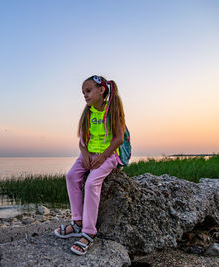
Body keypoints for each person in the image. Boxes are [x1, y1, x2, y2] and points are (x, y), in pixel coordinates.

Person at [54, 75, 126, 256]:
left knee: (92, 183)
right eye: (83, 92)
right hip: (88, 153)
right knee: (71, 176)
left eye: (88, 91)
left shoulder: (112, 111)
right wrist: (85, 154)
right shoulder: (88, 112)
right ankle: (77, 222)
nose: (85, 95)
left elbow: (119, 138)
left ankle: (89, 231)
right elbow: (82, 140)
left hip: (107, 156)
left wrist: (102, 157)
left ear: (101, 90)